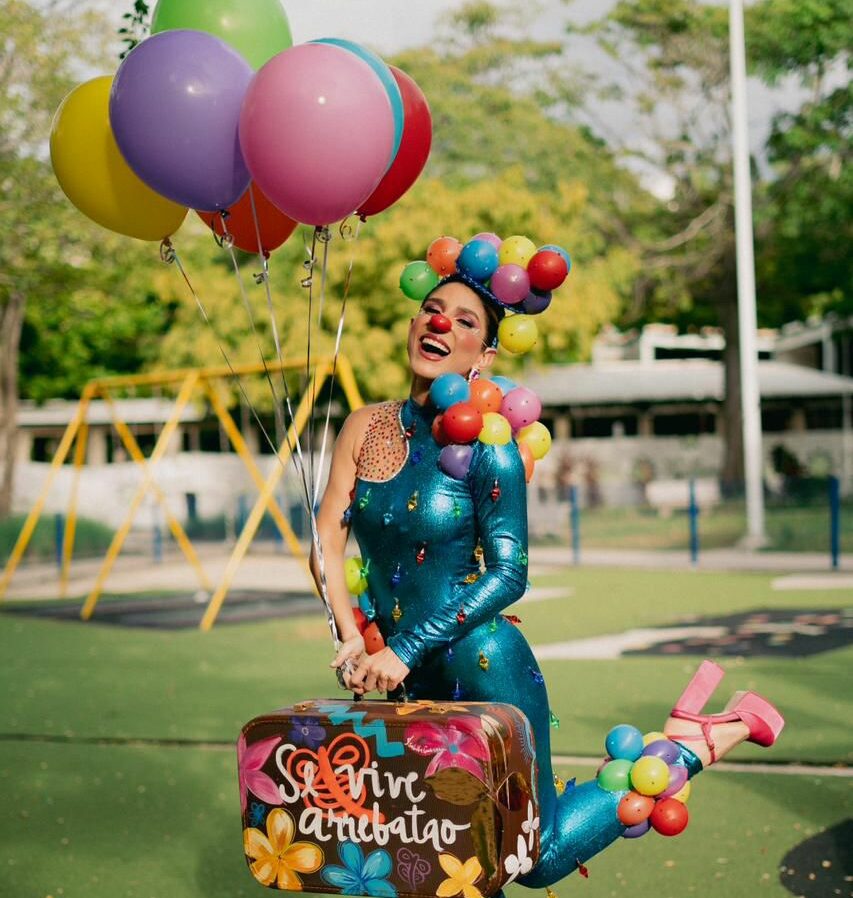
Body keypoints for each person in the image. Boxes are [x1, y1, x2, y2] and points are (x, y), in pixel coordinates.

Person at [310, 244, 784, 886]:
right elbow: (327, 545)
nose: (439, 322)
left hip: (482, 664)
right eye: (430, 309)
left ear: (485, 357)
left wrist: (403, 648)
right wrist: (350, 638)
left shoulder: (488, 448)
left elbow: (510, 574)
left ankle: (693, 742)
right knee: (436, 859)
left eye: (465, 320)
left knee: (530, 855)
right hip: (400, 676)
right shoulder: (363, 428)